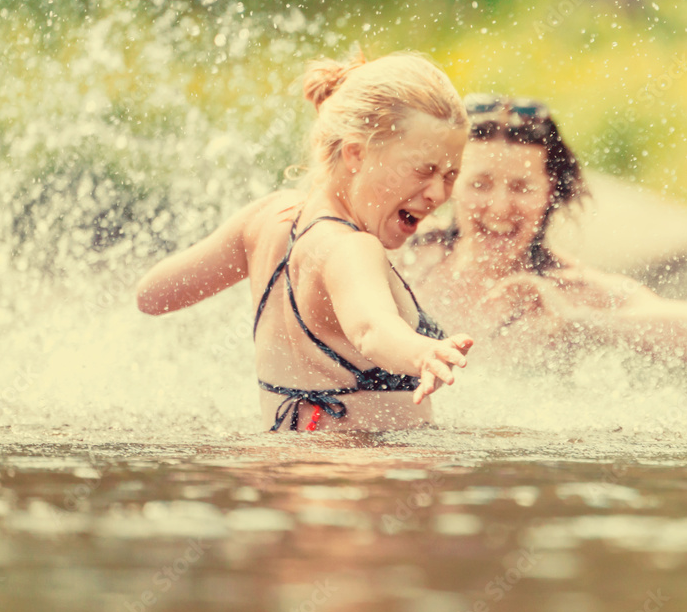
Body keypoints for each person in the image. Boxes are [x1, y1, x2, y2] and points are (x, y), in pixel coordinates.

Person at [136, 52, 474, 432]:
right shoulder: (352, 247)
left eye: (450, 175)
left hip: (285, 469)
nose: (437, 193)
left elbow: (152, 296)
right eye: (423, 170)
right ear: (356, 153)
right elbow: (372, 329)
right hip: (361, 476)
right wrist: (421, 351)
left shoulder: (265, 219)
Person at [400, 95, 687, 364]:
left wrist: (576, 321)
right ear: (450, 182)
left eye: (521, 187)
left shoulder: (570, 289)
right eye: (480, 184)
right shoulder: (402, 253)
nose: (500, 207)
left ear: (552, 192)